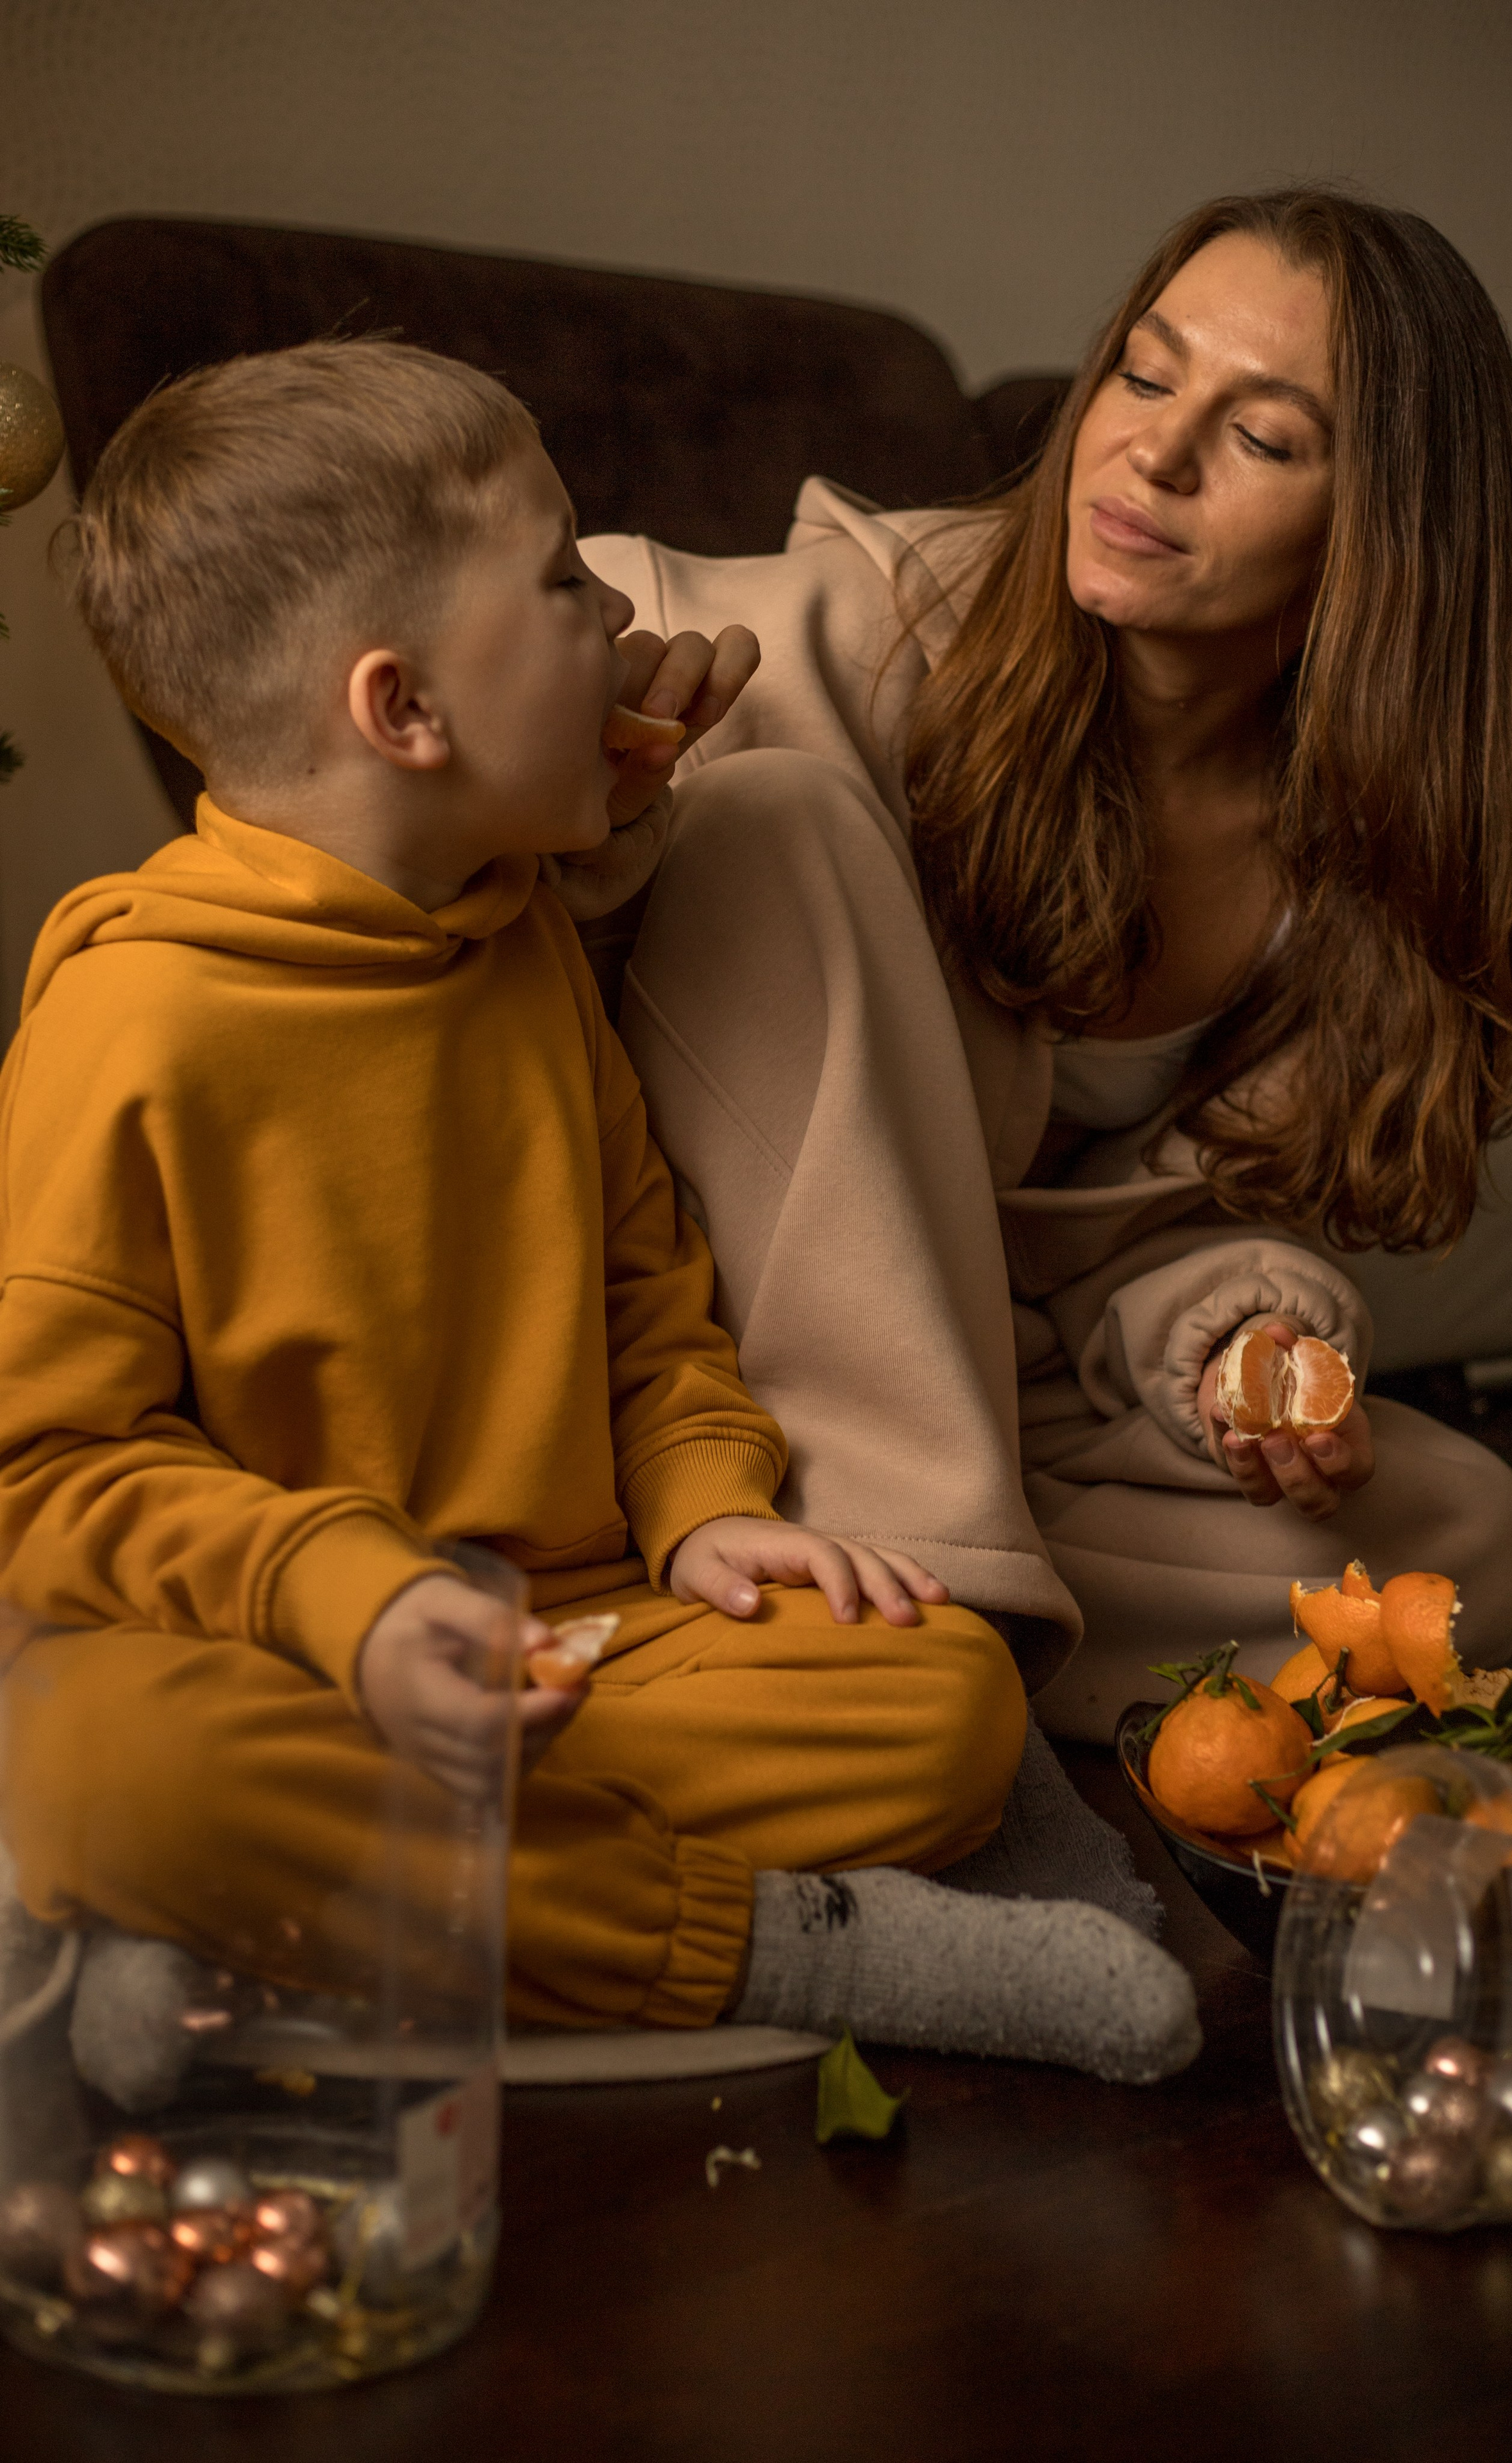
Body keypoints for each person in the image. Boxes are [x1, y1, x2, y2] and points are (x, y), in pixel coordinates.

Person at [0, 340, 1198, 2095]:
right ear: (405, 713)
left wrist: (711, 1510)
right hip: (279, 1652)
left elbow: (653, 1304)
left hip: (584, 1644)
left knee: (941, 1706)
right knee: (100, 1766)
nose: (616, 617)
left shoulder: (522, 944)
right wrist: (353, 1602)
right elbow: (46, 1476)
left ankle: (265, 1929)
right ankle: (784, 1945)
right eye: (562, 580)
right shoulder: (134, 1029)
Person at [575, 188, 1512, 1739]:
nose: (1150, 455)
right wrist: (592, 775)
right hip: (712, 1351)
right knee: (773, 812)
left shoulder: (1354, 870)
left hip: (972, 1384)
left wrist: (1239, 1345)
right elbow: (520, 631)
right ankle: (931, 1619)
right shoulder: (881, 631)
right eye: (1146, 376)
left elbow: (1157, 1233)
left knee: (1460, 1527)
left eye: (1262, 437)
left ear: (1381, 541)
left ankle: (908, 1601)